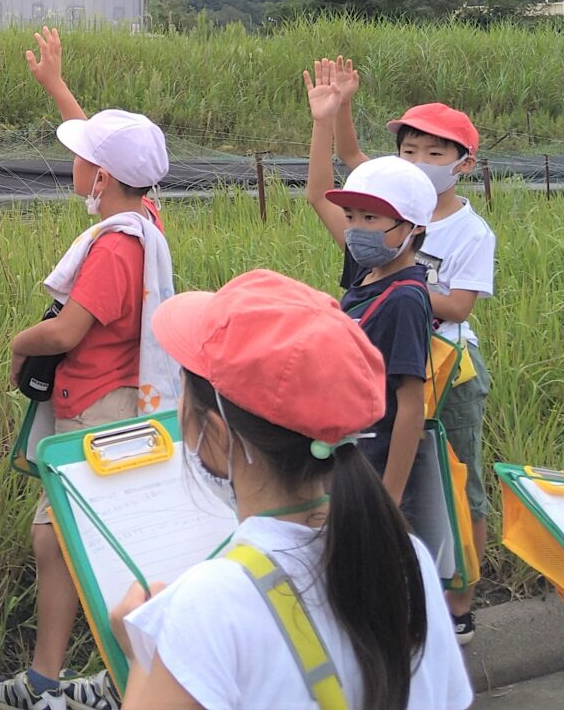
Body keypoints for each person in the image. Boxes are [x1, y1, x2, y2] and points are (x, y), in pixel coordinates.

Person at [111, 269, 473, 710]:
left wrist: (142, 659)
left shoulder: (208, 606)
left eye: (183, 384)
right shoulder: (405, 556)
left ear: (218, 433)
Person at [0, 108, 176, 710]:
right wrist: (53, 86)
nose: (74, 165)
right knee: (60, 540)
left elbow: (68, 330)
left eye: (83, 158)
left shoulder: (115, 248)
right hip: (109, 404)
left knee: (75, 544)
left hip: (99, 411)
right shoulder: (143, 221)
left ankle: (105, 679)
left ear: (100, 178)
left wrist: (19, 342)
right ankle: (78, 674)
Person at [327, 63, 496, 640]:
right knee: (406, 475)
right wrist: (338, 107)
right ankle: (414, 584)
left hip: (451, 369)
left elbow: (462, 307)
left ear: (462, 164)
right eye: (408, 148)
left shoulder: (465, 234)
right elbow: (347, 159)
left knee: (457, 478)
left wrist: (411, 289)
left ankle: (461, 598)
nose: (417, 161)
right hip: (394, 358)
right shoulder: (387, 208)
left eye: (433, 153)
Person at [304, 67, 433, 508]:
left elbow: (411, 407)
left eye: (371, 218)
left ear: (412, 227)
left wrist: (389, 498)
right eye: (354, 217)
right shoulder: (368, 267)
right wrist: (324, 120)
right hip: (349, 457)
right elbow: (320, 193)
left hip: (374, 470)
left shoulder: (405, 299)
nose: (357, 230)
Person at [25, 25, 165, 227]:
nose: (74, 155)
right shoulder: (142, 210)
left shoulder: (111, 251)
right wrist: (54, 83)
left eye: (81, 153)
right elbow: (101, 145)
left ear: (101, 178)